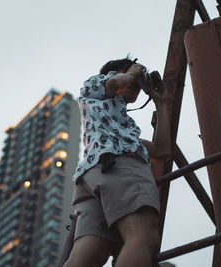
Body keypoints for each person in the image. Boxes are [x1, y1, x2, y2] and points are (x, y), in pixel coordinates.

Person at [63, 57, 173, 267]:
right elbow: (116, 83)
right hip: (118, 165)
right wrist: (134, 71)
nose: (138, 85)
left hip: (96, 175)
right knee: (142, 235)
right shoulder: (94, 85)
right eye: (137, 79)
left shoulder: (121, 130)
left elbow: (162, 150)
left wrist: (161, 102)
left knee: (88, 254)